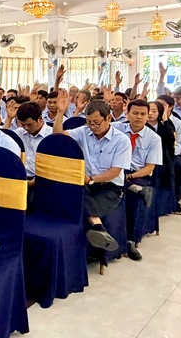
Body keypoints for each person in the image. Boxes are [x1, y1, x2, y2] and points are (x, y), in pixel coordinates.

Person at [53, 92, 132, 252]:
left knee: (77, 207)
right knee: (68, 197)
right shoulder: (84, 131)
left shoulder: (122, 140)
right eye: (89, 122)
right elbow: (57, 137)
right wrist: (60, 113)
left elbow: (115, 172)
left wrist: (91, 179)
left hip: (109, 188)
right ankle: (99, 228)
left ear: (108, 118)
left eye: (96, 122)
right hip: (86, 184)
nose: (92, 126)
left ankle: (81, 252)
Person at [111, 100, 163, 260]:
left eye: (142, 114)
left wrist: (130, 176)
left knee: (133, 197)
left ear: (148, 116)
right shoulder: (115, 128)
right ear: (127, 114)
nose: (138, 117)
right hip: (115, 169)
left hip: (137, 174)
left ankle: (130, 241)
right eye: (135, 113)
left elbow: (149, 168)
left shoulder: (154, 138)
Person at [13, 101, 53, 206]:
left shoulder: (51, 135)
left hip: (42, 180)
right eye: (22, 125)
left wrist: (34, 181)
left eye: (29, 124)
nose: (26, 128)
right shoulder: (19, 133)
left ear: (40, 119)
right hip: (21, 178)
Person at [157, 95, 181, 215]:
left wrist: (167, 154)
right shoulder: (151, 120)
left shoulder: (178, 124)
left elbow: (180, 145)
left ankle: (175, 200)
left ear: (170, 107)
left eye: (162, 105)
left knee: (179, 168)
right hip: (153, 154)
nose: (159, 108)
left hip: (171, 153)